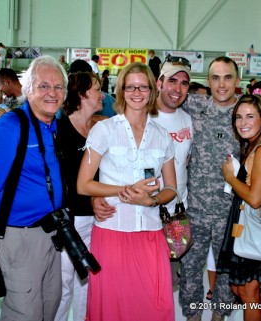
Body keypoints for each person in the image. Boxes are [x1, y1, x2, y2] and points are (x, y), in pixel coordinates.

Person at [0, 56, 68, 321]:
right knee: (25, 314)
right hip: (19, 238)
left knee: (50, 306)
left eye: (58, 86)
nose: (52, 93)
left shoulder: (53, 126)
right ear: (28, 89)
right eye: (43, 86)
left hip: (51, 235)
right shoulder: (11, 127)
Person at [76, 62, 177, 321]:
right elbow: (84, 184)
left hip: (151, 234)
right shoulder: (103, 130)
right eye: (130, 86)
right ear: (121, 90)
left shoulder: (163, 136)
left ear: (152, 90)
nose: (137, 92)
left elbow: (171, 188)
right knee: (112, 307)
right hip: (112, 234)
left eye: (143, 86)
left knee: (154, 308)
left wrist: (151, 201)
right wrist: (126, 190)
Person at [179, 56, 240, 321]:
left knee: (227, 271)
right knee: (190, 267)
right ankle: (192, 316)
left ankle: (219, 315)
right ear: (208, 81)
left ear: (237, 80)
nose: (222, 84)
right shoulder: (194, 106)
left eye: (228, 77)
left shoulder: (248, 112)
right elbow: (160, 98)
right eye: (215, 77)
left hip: (231, 212)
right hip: (196, 210)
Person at [217, 94, 261, 321]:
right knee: (240, 290)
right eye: (239, 117)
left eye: (250, 116)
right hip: (245, 228)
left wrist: (230, 178)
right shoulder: (251, 148)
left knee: (249, 292)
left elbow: (255, 199)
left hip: (254, 231)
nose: (243, 122)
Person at [54, 71, 106, 321]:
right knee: (63, 284)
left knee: (87, 282)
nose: (102, 94)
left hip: (97, 219)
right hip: (69, 221)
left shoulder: (100, 127)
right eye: (97, 89)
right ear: (83, 93)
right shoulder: (60, 129)